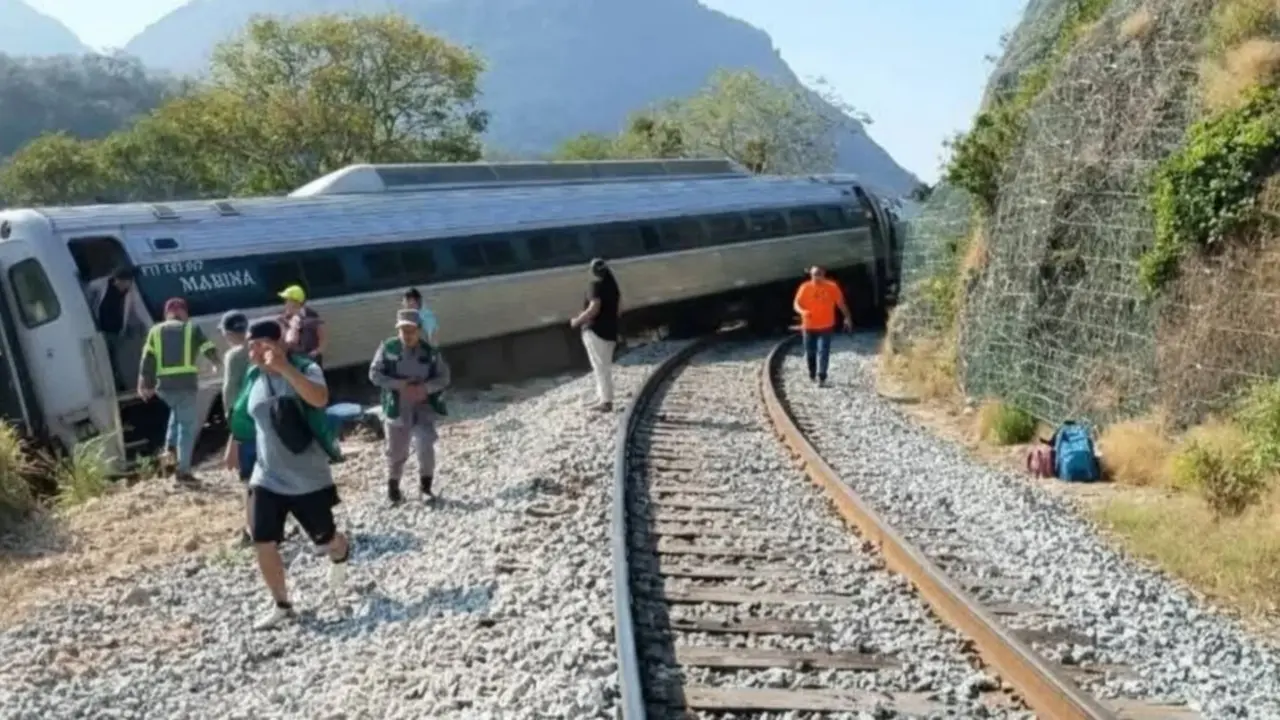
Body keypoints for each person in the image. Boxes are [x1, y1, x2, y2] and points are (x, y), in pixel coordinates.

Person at [225, 318, 349, 631]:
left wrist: (284, 369)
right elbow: (244, 415)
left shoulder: (305, 368)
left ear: (277, 344)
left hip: (308, 476)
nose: (252, 352)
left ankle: (340, 551)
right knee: (262, 539)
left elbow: (319, 399)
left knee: (325, 539)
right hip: (266, 476)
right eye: (249, 346)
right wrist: (234, 444)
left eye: (259, 345)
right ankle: (282, 604)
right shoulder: (253, 377)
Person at [369, 310, 452, 505]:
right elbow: (374, 374)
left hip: (423, 407)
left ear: (419, 330)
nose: (407, 334)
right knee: (396, 450)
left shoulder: (430, 352)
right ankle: (394, 490)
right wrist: (400, 384)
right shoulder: (388, 348)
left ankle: (425, 488)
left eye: (411, 330)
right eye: (403, 330)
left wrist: (426, 388)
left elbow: (444, 377)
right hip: (397, 406)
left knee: (425, 446)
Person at [137, 298, 220, 483]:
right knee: (187, 428)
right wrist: (216, 362)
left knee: (175, 419)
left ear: (167, 313)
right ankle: (183, 471)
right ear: (184, 312)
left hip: (164, 388)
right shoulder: (192, 328)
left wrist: (145, 384)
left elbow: (147, 360)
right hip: (185, 385)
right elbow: (208, 348)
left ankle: (168, 457)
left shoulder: (155, 331)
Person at [85, 265, 153, 392]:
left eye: (126, 283)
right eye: (121, 282)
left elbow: (140, 310)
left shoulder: (131, 291)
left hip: (117, 332)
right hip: (101, 330)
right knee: (104, 359)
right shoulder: (103, 284)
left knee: (116, 360)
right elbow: (88, 289)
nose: (123, 286)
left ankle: (118, 385)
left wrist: (150, 327)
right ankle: (110, 385)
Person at [219, 311, 254, 545]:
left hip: (247, 425)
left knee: (250, 480)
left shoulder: (234, 356)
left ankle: (252, 531)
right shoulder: (262, 349)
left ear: (229, 333)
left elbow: (232, 396)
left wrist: (233, 435)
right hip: (268, 421)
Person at [570, 258, 621, 412]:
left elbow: (594, 308)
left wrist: (577, 321)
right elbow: (618, 310)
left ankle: (605, 401)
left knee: (600, 367)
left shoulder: (595, 286)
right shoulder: (614, 288)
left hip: (595, 331)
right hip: (610, 332)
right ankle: (603, 397)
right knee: (603, 366)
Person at [792, 265, 852, 387]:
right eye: (814, 274)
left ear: (824, 274)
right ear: (811, 275)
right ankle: (812, 373)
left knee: (823, 351)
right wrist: (802, 312)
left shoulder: (832, 287)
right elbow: (796, 304)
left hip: (826, 326)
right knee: (810, 352)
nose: (817, 277)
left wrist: (847, 317)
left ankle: (822, 376)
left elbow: (841, 303)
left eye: (819, 274)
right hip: (808, 327)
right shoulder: (805, 287)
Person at [278, 285, 327, 366]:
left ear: (295, 302)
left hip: (311, 359)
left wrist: (316, 352)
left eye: (287, 300)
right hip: (293, 359)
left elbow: (322, 337)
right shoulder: (284, 318)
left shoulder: (312, 316)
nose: (285, 303)